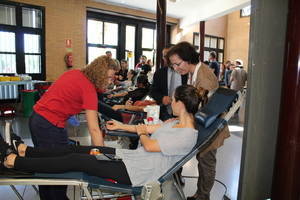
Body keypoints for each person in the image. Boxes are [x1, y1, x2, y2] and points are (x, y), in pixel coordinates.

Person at [1, 85, 200, 187]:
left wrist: (141, 132)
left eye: (173, 100)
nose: (170, 103)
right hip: (129, 159)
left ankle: (14, 162)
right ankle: (26, 150)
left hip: (136, 173)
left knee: (75, 160)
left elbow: (149, 144)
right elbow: (148, 130)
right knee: (75, 149)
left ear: (181, 104)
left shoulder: (187, 136)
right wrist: (123, 125)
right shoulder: (174, 122)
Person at [29, 55, 118, 200]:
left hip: (37, 120)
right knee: (58, 170)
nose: (110, 82)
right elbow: (94, 129)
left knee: (44, 167)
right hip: (48, 125)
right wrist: (104, 159)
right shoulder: (88, 88)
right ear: (100, 74)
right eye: (108, 78)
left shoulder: (75, 73)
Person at [166, 41, 230, 200]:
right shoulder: (193, 72)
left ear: (188, 59)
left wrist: (180, 122)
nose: (175, 68)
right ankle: (200, 194)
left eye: (177, 64)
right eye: (173, 65)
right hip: (205, 124)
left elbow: (202, 111)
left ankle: (203, 196)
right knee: (202, 161)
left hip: (211, 127)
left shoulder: (204, 77)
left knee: (206, 163)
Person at [150, 46, 188, 121]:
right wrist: (162, 98)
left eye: (170, 55)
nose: (168, 59)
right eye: (165, 56)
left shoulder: (186, 72)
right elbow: (153, 91)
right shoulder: (159, 73)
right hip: (165, 113)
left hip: (185, 113)